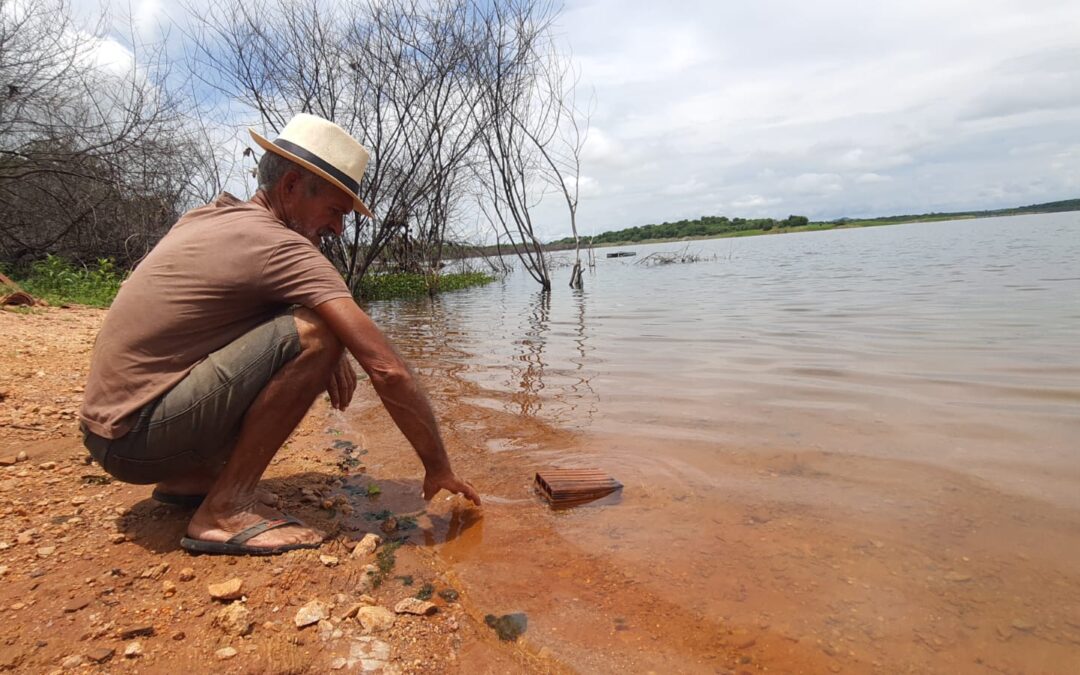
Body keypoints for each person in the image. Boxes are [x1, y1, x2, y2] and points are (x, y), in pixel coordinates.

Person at [78, 113, 481, 555]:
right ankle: (225, 509)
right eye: (334, 211)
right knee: (322, 332)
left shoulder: (207, 217)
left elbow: (227, 315)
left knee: (318, 327)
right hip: (139, 437)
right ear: (290, 186)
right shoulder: (281, 245)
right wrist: (437, 466)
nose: (337, 229)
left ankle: (192, 481)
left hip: (114, 434)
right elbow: (387, 369)